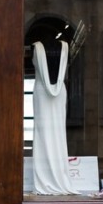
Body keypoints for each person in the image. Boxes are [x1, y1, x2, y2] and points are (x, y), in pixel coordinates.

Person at [30, 38, 78, 195]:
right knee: (56, 134)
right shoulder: (65, 47)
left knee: (46, 134)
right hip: (56, 94)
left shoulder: (36, 47)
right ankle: (58, 177)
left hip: (42, 92)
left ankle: (44, 180)